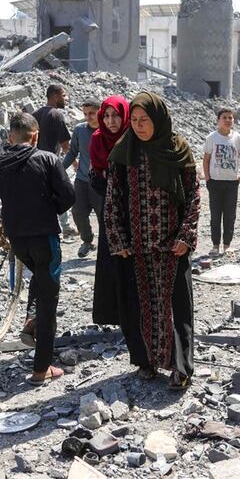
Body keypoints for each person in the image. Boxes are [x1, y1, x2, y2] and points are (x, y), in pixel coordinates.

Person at [0, 112, 76, 386]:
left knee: (39, 277)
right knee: (49, 299)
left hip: (18, 242)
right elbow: (68, 196)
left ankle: (31, 319)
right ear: (35, 137)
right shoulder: (48, 159)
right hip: (45, 239)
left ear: (10, 137)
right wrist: (49, 208)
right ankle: (41, 369)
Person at [106, 93, 200, 390]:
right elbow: (113, 198)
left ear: (158, 119)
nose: (138, 126)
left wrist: (186, 235)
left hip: (173, 246)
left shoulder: (177, 150)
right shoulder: (124, 151)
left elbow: (193, 196)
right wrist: (118, 237)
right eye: (134, 120)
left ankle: (181, 368)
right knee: (139, 306)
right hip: (136, 248)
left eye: (144, 120)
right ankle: (145, 360)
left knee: (176, 308)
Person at [88, 95, 133, 328]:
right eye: (106, 116)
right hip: (110, 210)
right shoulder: (98, 140)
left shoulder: (134, 138)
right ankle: (111, 314)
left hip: (135, 210)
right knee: (110, 259)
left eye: (115, 115)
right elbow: (94, 176)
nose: (110, 121)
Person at [203, 108, 240, 256]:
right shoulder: (212, 137)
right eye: (225, 117)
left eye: (230, 118)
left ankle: (227, 245)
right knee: (215, 215)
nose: (228, 120)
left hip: (231, 183)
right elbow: (206, 159)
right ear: (218, 121)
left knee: (230, 215)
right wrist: (208, 179)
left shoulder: (237, 137)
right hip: (215, 182)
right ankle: (215, 245)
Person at [33, 84, 76, 236]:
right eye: (63, 96)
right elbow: (65, 144)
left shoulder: (35, 114)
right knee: (63, 191)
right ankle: (65, 227)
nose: (65, 99)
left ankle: (51, 225)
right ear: (55, 96)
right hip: (51, 163)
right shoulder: (56, 115)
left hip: (34, 163)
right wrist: (75, 163)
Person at [63, 100, 102, 258]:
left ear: (100, 112)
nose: (88, 117)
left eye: (92, 113)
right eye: (85, 114)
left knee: (103, 216)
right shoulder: (80, 130)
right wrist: (59, 169)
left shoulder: (108, 131)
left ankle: (107, 246)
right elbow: (72, 152)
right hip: (82, 180)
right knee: (78, 212)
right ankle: (87, 241)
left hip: (101, 182)